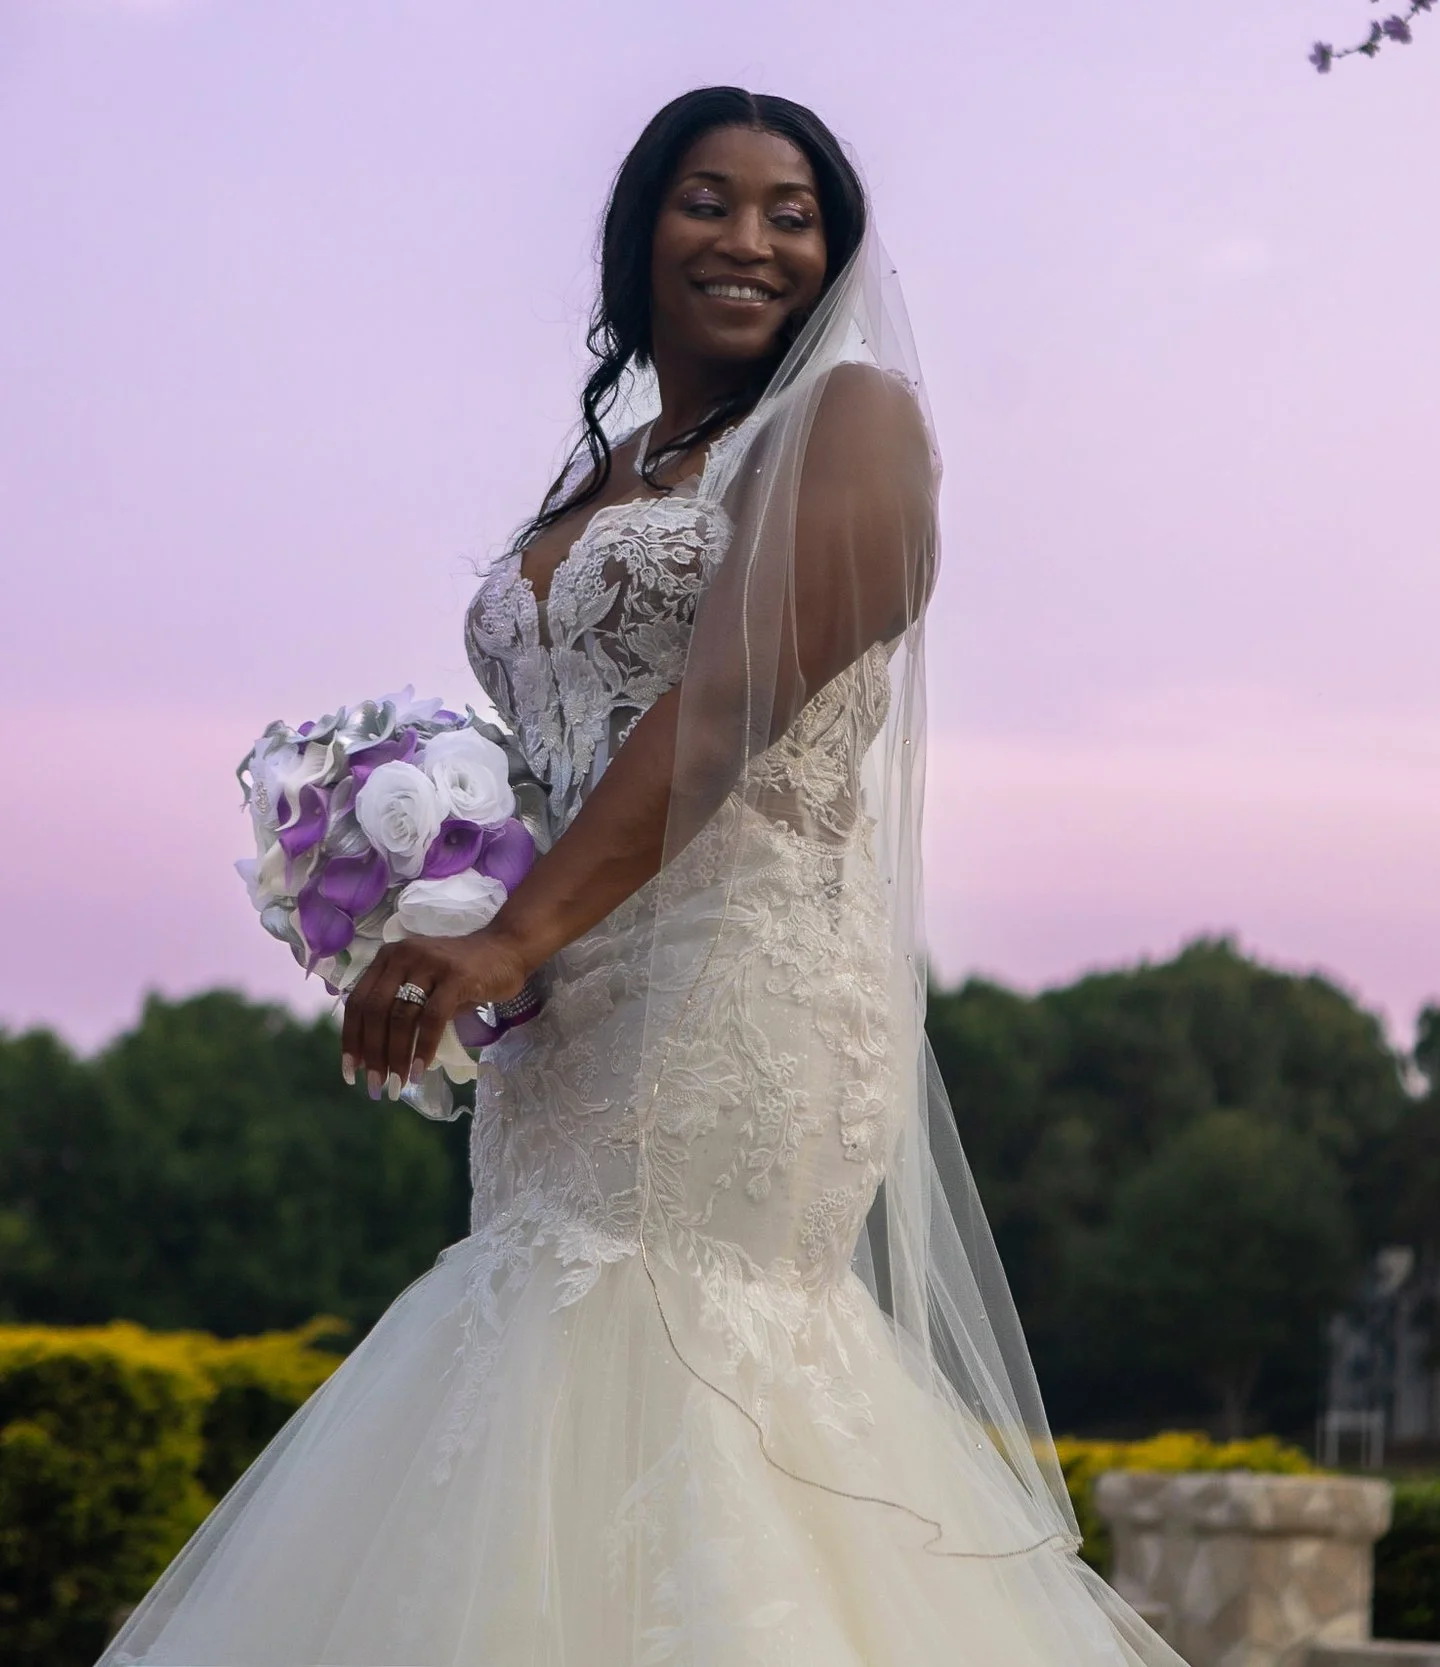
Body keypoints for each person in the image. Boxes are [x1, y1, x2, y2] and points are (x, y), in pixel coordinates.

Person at [105, 88, 1183, 1667]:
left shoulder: (851, 422)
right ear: (641, 233)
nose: (751, 239)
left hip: (739, 989)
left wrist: (512, 928)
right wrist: (423, 858)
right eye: (708, 200)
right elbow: (571, 731)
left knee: (677, 1336)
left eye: (792, 215)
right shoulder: (615, 465)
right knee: (537, 1352)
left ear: (833, 256)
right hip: (566, 1003)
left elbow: (734, 701)